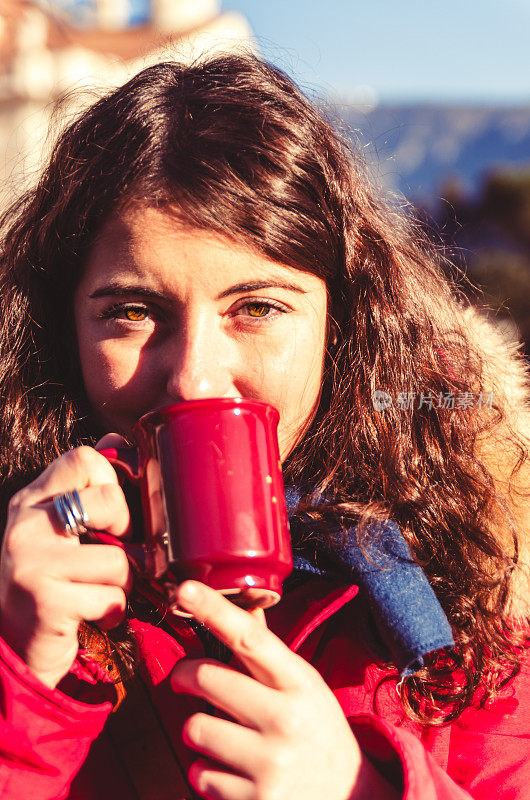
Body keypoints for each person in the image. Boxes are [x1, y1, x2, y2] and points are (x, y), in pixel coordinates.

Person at [0, 54, 528, 800]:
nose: (194, 378)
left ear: (341, 325)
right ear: (63, 331)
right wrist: (22, 681)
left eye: (256, 308)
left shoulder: (479, 565)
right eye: (133, 312)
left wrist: (355, 790)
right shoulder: (20, 573)